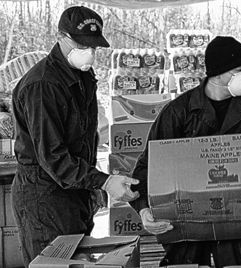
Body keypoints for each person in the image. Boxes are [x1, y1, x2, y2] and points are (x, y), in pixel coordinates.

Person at [129, 36, 241, 267]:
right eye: (238, 70)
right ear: (217, 73)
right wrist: (144, 211)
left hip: (236, 227)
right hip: (186, 227)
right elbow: (147, 167)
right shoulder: (179, 112)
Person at [11, 6, 139, 266]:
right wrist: (103, 181)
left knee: (77, 261)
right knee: (54, 263)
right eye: (81, 44)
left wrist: (93, 184)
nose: (89, 52)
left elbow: (85, 137)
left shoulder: (82, 76)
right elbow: (53, 157)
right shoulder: (43, 85)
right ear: (61, 37)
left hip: (73, 194)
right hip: (45, 198)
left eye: (93, 46)